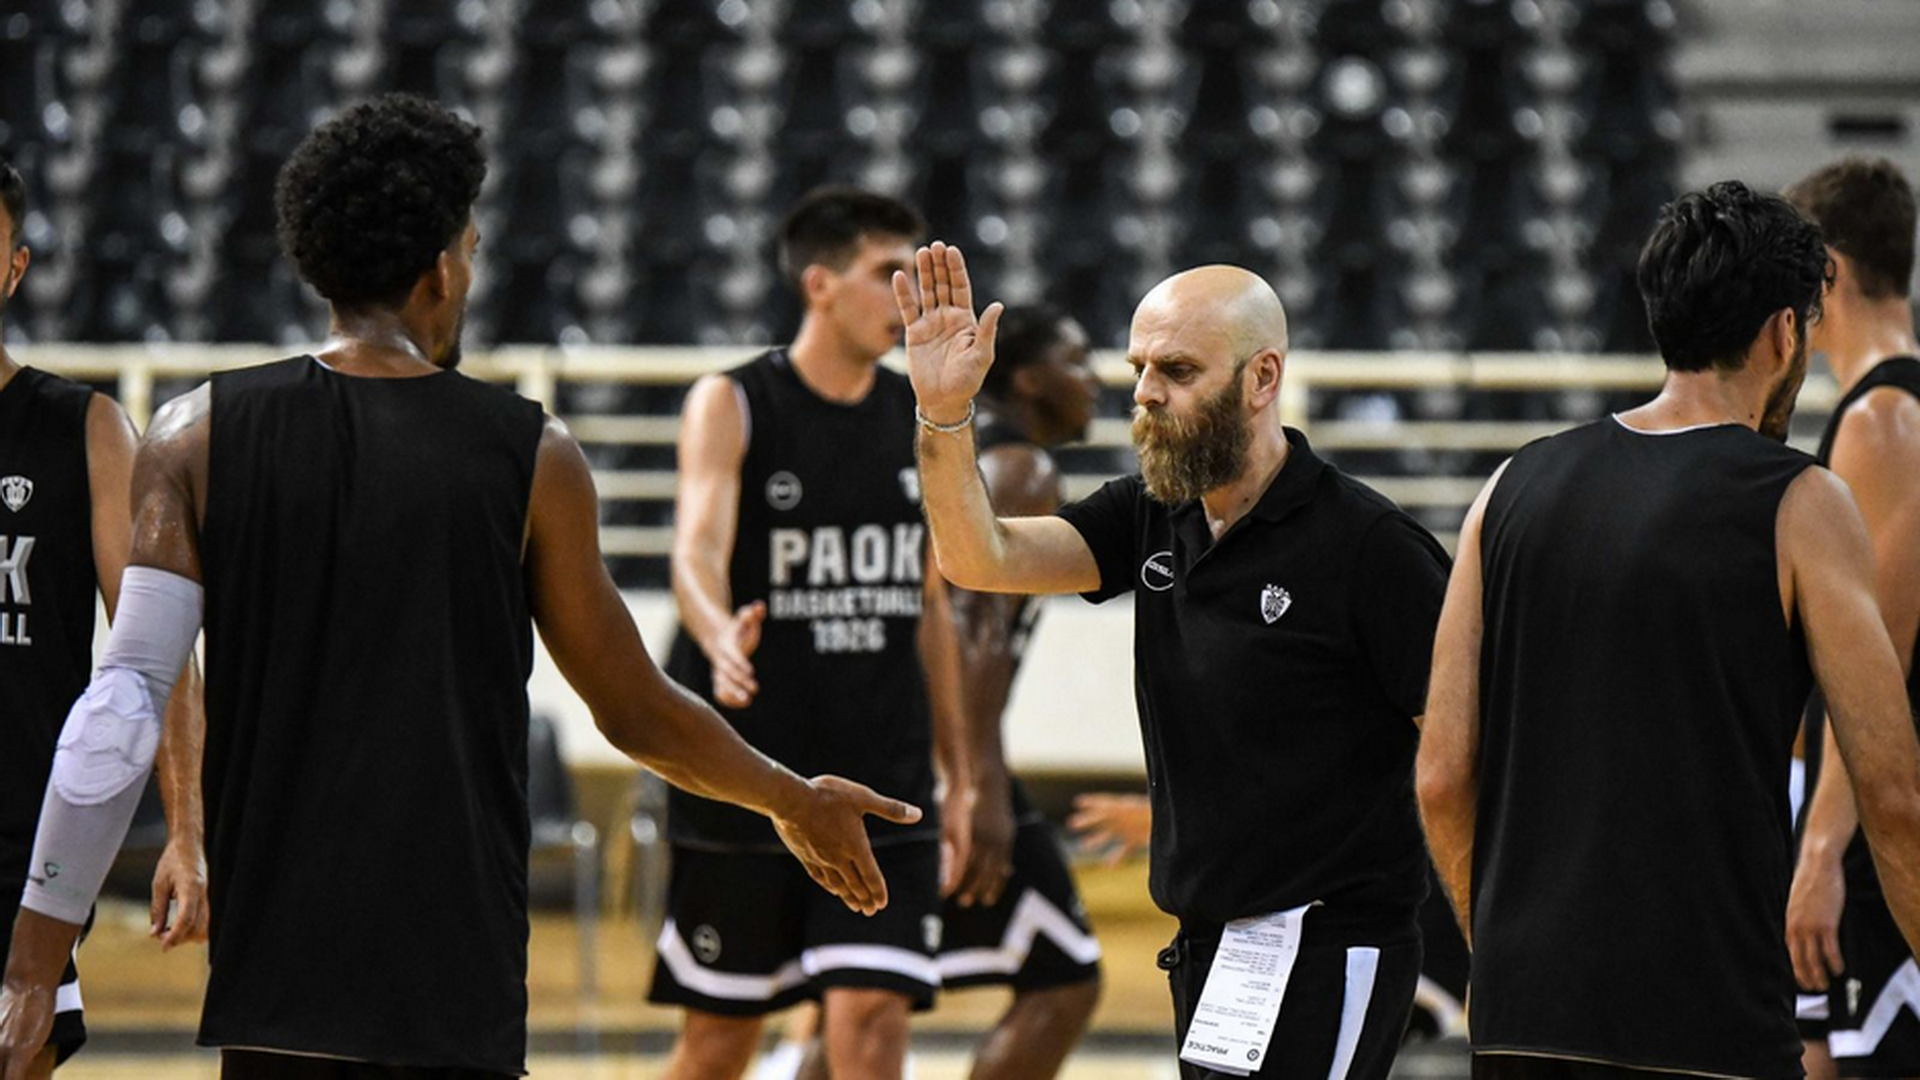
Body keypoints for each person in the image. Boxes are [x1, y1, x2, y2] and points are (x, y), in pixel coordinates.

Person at [0, 95, 918, 1080]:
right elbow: (633, 708)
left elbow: (126, 701)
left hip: (275, 965)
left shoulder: (194, 435)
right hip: (456, 968)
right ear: (441, 269)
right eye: (471, 251)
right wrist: (788, 797)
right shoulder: (531, 453)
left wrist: (34, 953)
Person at [898, 245, 1453, 1078]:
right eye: (1140, 369)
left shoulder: (1371, 548)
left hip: (1331, 941)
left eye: (1178, 370)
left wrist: (1493, 933)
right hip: (1209, 946)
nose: (1146, 393)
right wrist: (944, 415)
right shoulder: (1152, 514)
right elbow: (979, 559)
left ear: (1262, 378)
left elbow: (1466, 750)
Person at [1417, 179, 1920, 1079]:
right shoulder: (1802, 502)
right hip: (1708, 1020)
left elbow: (1443, 774)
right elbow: (1891, 792)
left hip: (1522, 1014)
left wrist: (1495, 948)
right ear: (1784, 333)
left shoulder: (1506, 489)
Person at [651, 187, 969, 1080]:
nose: (908, 296)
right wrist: (716, 631)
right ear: (819, 284)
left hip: (884, 775)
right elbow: (696, 548)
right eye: (886, 273)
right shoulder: (733, 400)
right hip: (753, 775)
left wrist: (964, 772)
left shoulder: (921, 415)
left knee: (871, 1021)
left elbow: (932, 608)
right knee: (720, 1043)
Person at [0, 159, 208, 1079]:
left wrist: (186, 834)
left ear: (15, 267)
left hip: (22, 863)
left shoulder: (82, 429)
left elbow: (157, 652)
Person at [1784, 158, 1920, 1077]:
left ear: (1827, 268)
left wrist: (1824, 846)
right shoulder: (1880, 408)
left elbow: (1879, 667)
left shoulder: (1883, 419)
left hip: (1873, 820)